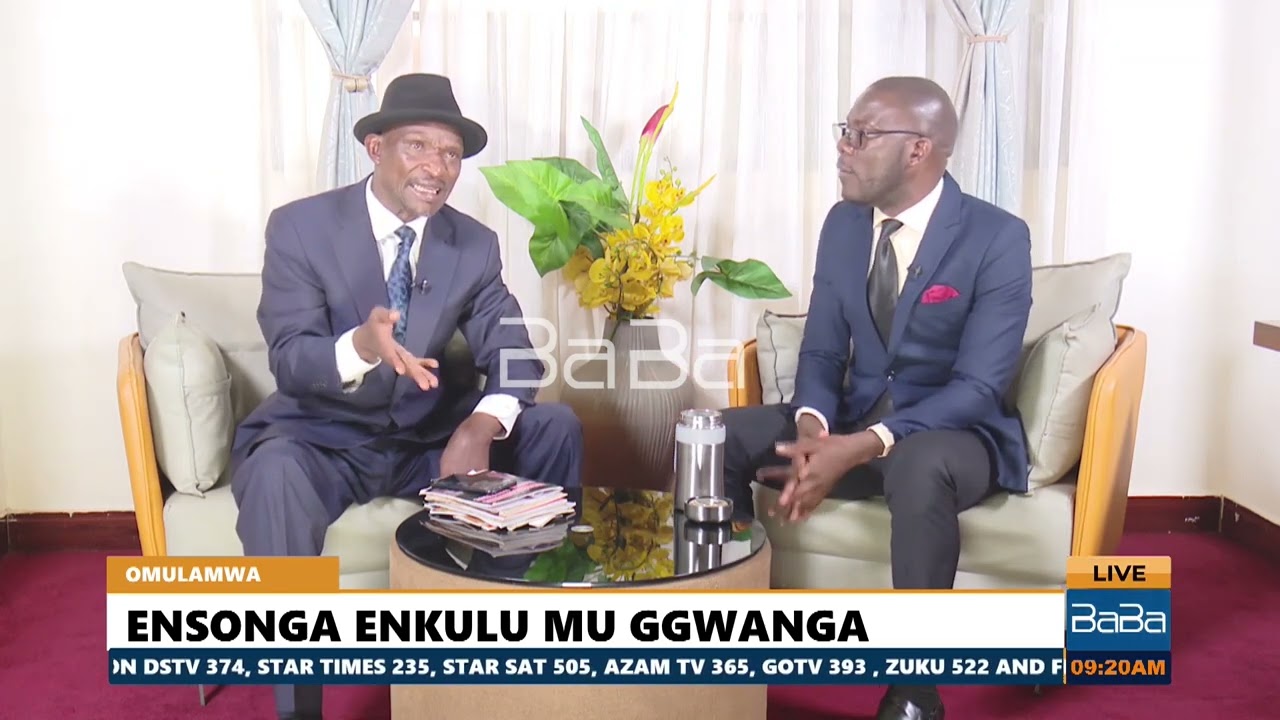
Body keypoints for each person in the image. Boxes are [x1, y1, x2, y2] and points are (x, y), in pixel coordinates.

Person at [230, 73, 583, 720]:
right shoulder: (301, 227)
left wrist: (480, 424)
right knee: (275, 474)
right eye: (417, 146)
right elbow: (291, 357)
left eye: (450, 153)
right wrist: (361, 347)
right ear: (376, 148)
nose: (436, 168)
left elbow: (513, 352)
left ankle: (530, 653)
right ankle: (297, 708)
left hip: (428, 443)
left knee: (554, 426)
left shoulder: (471, 244)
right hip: (322, 441)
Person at [721, 76, 1033, 720]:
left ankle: (915, 691)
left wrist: (863, 446)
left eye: (861, 135)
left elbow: (978, 387)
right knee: (714, 433)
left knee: (920, 465)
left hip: (953, 436)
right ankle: (726, 636)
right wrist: (813, 432)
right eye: (845, 131)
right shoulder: (843, 224)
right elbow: (822, 351)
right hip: (851, 421)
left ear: (918, 149)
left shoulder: (997, 237)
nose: (844, 147)